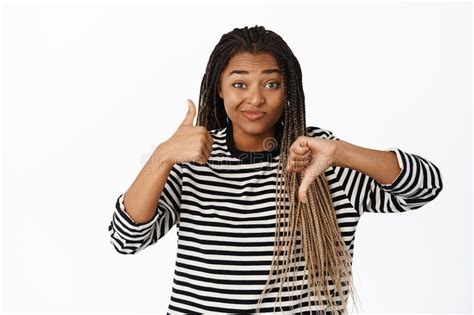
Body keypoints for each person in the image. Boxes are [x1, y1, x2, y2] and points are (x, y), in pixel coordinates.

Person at [108, 25, 443, 314]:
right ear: (219, 88)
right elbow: (125, 238)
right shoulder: (192, 161)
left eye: (271, 84)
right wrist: (163, 156)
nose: (255, 99)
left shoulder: (322, 157)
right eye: (240, 84)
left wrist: (343, 153)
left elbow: (424, 186)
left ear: (288, 91)